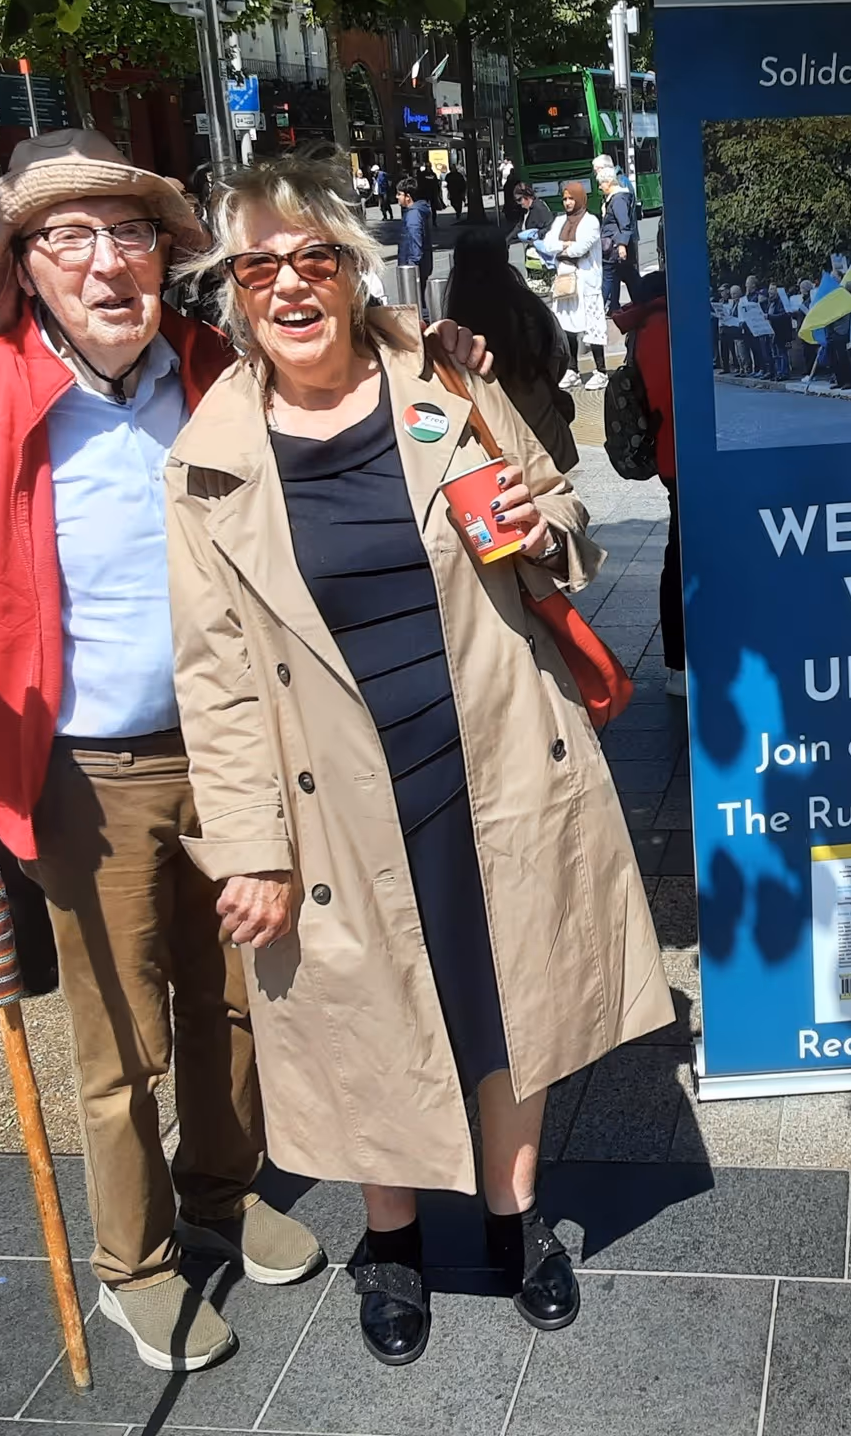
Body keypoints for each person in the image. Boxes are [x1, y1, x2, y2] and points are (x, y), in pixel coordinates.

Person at [0, 129, 381, 1372]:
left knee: (238, 996)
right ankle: (135, 1262)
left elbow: (350, 368)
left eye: (128, 234)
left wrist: (448, 348)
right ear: (23, 267)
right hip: (87, 769)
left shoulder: (214, 365)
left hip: (235, 747)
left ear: (162, 256)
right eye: (69, 238)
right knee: (122, 1037)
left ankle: (221, 1190)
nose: (106, 263)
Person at [163, 156, 672, 1367]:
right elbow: (215, 680)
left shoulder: (444, 380)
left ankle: (512, 1217)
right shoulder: (207, 459)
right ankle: (389, 1241)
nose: (290, 285)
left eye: (314, 258)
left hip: (485, 756)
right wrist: (247, 848)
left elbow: (562, 514)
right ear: (233, 292)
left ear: (351, 271)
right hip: (332, 795)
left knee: (510, 997)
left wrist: (543, 527)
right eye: (259, 267)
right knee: (367, 1012)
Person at [443, 227, 578, 469]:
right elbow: (559, 355)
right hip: (539, 429)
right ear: (504, 258)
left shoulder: (455, 321)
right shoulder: (529, 310)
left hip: (486, 442)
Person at [614, 272, 681, 692]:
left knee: (681, 553)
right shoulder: (663, 326)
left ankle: (680, 660)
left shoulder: (644, 326)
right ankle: (680, 660)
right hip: (683, 455)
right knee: (682, 558)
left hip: (672, 456)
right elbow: (670, 396)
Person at [536, 180, 606, 390]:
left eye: (571, 198)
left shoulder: (591, 221)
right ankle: (572, 369)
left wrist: (562, 248)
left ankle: (601, 371)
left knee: (592, 326)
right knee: (567, 327)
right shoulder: (560, 221)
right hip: (565, 281)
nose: (567, 202)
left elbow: (580, 249)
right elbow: (548, 244)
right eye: (565, 199)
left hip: (586, 282)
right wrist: (565, 245)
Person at [595, 156, 642, 312]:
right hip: (615, 248)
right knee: (624, 277)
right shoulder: (615, 198)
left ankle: (600, 309)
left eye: (601, 183)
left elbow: (624, 223)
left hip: (615, 247)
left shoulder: (618, 199)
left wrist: (622, 245)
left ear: (609, 182)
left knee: (610, 278)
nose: (600, 187)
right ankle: (619, 306)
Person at [396, 175, 435, 314]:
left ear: (408, 197)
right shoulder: (417, 211)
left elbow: (415, 238)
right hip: (419, 264)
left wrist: (412, 266)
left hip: (413, 266)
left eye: (399, 194)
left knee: (415, 304)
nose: (397, 197)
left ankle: (424, 324)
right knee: (418, 301)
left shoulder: (413, 214)